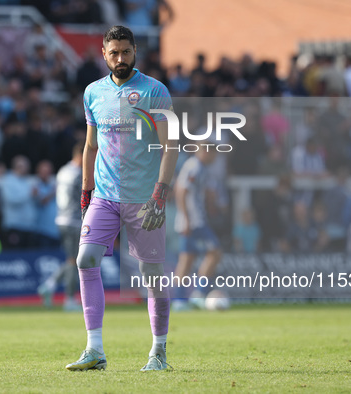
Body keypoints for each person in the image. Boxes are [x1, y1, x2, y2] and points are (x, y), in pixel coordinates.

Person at [65, 26, 177, 372]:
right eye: (114, 53)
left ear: (135, 52)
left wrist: (160, 192)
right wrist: (86, 191)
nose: (120, 59)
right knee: (85, 259)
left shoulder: (154, 91)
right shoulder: (92, 93)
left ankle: (158, 352)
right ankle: (94, 349)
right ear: (103, 53)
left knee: (152, 273)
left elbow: (170, 146)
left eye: (126, 52)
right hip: (105, 196)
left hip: (145, 198)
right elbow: (90, 146)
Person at [172, 144, 222, 310]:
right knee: (214, 252)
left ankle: (180, 300)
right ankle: (198, 294)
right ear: (205, 151)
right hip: (194, 222)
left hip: (194, 221)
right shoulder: (194, 166)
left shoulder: (200, 167)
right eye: (213, 152)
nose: (215, 156)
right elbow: (181, 190)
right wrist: (186, 219)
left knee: (187, 259)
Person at [38, 143, 84, 311]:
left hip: (62, 219)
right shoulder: (79, 174)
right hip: (73, 220)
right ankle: (69, 299)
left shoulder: (63, 171)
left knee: (71, 259)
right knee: (74, 261)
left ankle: (49, 286)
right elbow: (85, 197)